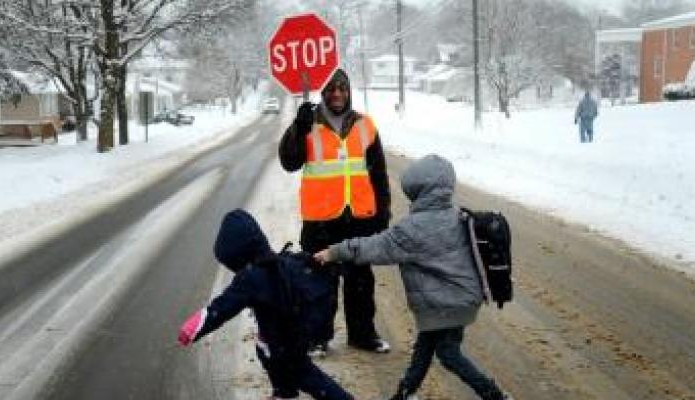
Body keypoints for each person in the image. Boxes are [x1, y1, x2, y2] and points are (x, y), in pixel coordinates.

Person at [314, 155, 510, 400]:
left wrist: (334, 252)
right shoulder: (456, 215)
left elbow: (373, 247)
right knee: (425, 347)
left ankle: (494, 395)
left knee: (448, 353)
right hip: (460, 297)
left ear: (416, 190)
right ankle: (404, 394)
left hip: (445, 303)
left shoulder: (413, 229)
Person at [177, 209, 355, 400]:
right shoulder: (276, 262)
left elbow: (223, 307)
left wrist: (194, 328)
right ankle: (284, 392)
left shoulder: (250, 278)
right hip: (291, 328)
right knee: (271, 355)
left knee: (303, 374)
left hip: (286, 335)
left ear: (237, 256)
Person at [279, 68, 391, 356]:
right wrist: (298, 128)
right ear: (323, 92)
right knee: (319, 281)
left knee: (360, 281)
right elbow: (289, 162)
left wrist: (382, 213)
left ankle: (362, 335)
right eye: (331, 89)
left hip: (358, 218)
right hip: (320, 220)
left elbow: (378, 173)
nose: (337, 94)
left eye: (342, 88)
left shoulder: (365, 125)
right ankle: (316, 338)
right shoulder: (309, 123)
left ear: (349, 91)